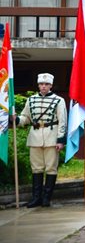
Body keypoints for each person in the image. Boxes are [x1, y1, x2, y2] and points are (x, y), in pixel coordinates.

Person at [13, 73, 67, 208]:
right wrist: (17, 119)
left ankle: (46, 198)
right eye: (41, 84)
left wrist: (61, 139)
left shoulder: (59, 100)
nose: (44, 86)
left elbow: (62, 120)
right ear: (38, 85)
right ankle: (36, 198)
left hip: (52, 136)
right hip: (35, 136)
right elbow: (26, 117)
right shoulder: (30, 100)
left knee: (50, 168)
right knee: (36, 168)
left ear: (51, 85)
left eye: (46, 84)